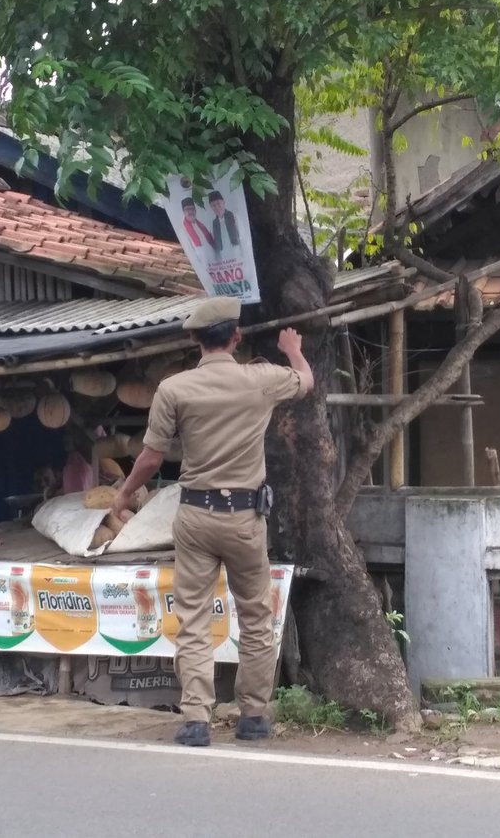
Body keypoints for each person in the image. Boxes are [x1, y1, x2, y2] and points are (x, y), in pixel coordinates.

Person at [113, 296, 313, 747]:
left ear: (194, 340)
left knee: (194, 620)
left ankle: (197, 720)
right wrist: (292, 348)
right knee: (256, 618)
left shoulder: (174, 389)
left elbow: (150, 457)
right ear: (236, 337)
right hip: (245, 517)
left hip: (196, 516)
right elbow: (305, 381)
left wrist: (124, 495)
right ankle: (254, 716)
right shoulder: (261, 381)